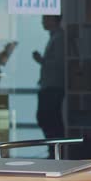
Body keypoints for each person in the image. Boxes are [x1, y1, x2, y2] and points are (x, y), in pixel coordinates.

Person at [32, 15, 65, 157]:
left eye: (45, 19)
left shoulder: (59, 38)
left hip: (53, 86)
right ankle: (53, 151)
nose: (42, 22)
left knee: (48, 118)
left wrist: (41, 60)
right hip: (49, 85)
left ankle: (55, 151)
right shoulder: (55, 37)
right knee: (48, 118)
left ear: (54, 20)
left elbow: (58, 63)